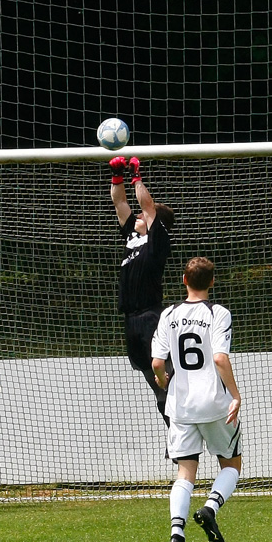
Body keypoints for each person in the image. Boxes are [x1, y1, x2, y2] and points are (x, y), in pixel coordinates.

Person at [151, 257, 242, 542]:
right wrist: (235, 394)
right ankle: (210, 507)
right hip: (215, 404)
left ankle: (177, 536)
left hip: (181, 405)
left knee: (185, 472)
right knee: (231, 464)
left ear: (184, 280)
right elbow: (219, 358)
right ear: (212, 282)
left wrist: (163, 380)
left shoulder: (168, 314)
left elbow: (157, 362)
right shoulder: (219, 313)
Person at [109, 156, 176, 427]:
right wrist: (117, 177)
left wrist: (137, 177)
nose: (137, 217)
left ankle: (184, 429)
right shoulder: (133, 237)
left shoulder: (158, 240)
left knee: (168, 378)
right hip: (131, 320)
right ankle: (173, 431)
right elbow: (120, 203)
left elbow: (146, 207)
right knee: (154, 383)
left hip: (151, 316)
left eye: (143, 216)